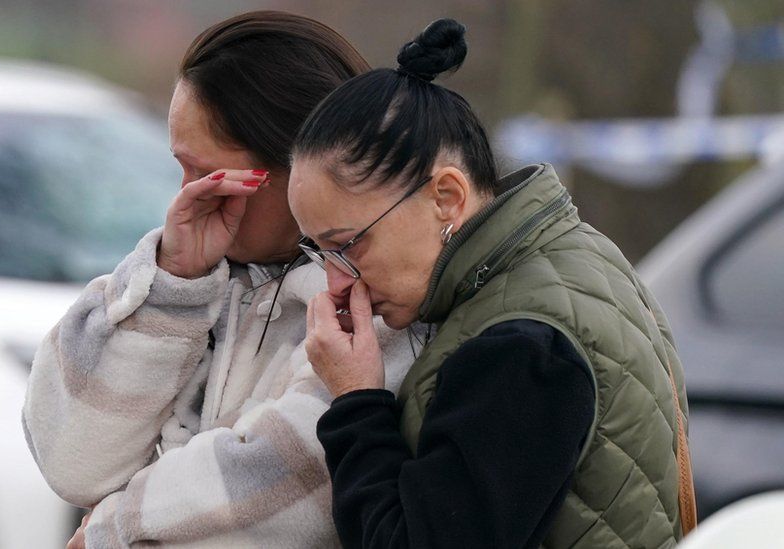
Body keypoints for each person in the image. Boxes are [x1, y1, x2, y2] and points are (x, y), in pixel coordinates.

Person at [289, 18, 697, 549]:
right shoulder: (567, 252)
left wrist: (357, 401)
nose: (337, 281)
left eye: (348, 245)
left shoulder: (521, 345)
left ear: (447, 198)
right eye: (318, 252)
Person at [22, 11, 418, 549]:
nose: (186, 194)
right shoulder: (202, 272)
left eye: (203, 172)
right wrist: (170, 287)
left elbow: (291, 482)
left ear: (296, 169)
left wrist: (113, 530)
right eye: (180, 168)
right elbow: (74, 463)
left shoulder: (385, 295)